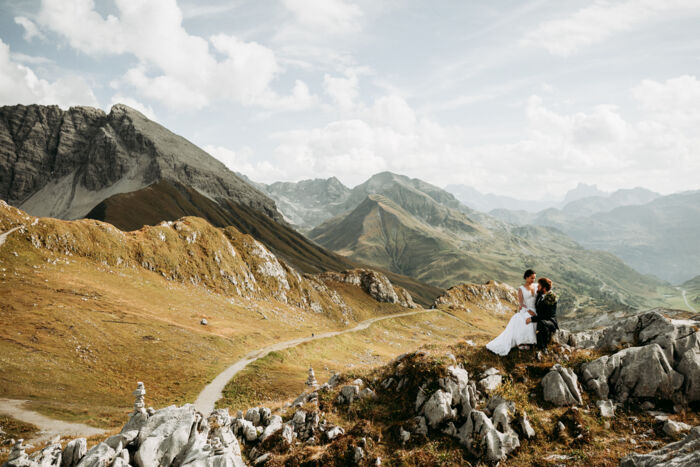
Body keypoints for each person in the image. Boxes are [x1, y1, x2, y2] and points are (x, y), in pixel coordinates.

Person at [486, 269, 538, 356]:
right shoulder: (521, 289)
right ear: (526, 278)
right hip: (526, 309)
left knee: (534, 319)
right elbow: (521, 304)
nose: (533, 280)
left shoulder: (536, 286)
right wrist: (529, 310)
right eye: (532, 278)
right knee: (523, 319)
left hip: (536, 310)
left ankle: (529, 342)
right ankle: (522, 342)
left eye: (534, 278)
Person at [526, 277, 558, 350]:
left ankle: (543, 348)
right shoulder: (539, 295)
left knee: (542, 323)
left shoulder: (551, 298)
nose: (537, 286)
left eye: (539, 285)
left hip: (550, 321)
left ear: (544, 288)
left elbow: (545, 315)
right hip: (540, 318)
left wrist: (532, 319)